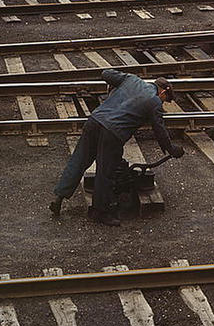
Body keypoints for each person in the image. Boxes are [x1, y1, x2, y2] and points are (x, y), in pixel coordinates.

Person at [50, 70, 184, 226]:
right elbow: (160, 130)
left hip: (94, 121)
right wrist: (172, 149)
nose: (162, 103)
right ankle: (100, 212)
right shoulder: (154, 102)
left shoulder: (132, 79)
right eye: (165, 100)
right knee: (106, 172)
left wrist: (112, 90)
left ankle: (59, 197)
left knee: (79, 160)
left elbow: (106, 74)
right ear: (163, 92)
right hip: (112, 133)